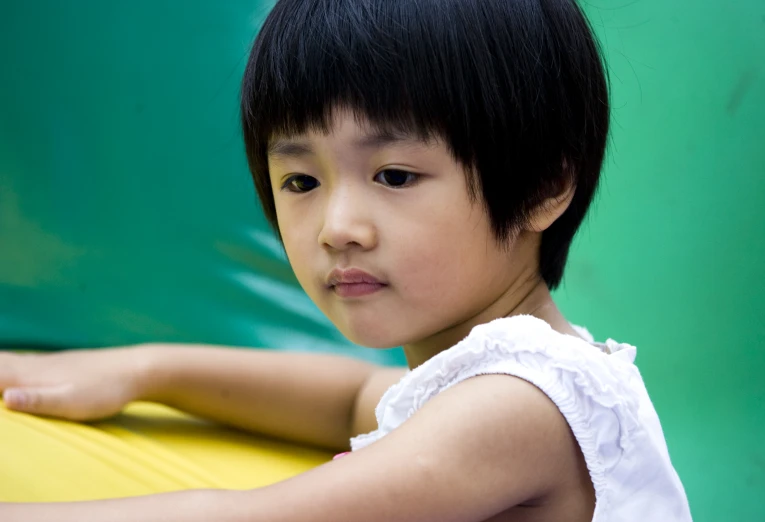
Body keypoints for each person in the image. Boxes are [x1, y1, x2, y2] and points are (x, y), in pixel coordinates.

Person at [0, 0, 692, 520]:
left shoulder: (522, 406)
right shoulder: (486, 374)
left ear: (543, 185)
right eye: (301, 181)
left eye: (393, 175)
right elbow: (347, 400)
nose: (337, 228)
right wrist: (147, 369)